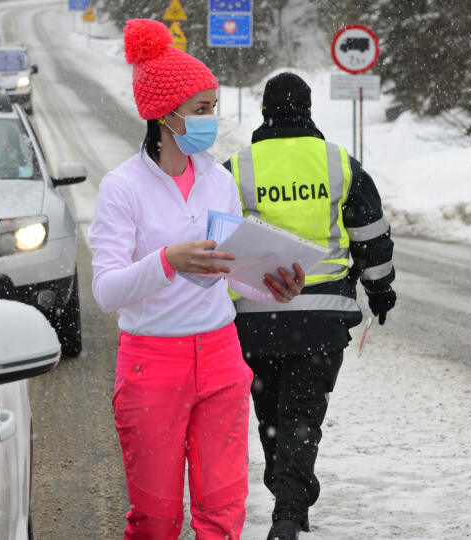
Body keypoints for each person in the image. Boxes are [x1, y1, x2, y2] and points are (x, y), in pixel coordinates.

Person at [88, 20, 305, 540]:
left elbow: (227, 271)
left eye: (213, 105)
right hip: (151, 362)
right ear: (165, 114)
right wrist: (167, 260)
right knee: (157, 519)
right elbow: (105, 291)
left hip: (221, 357)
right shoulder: (123, 188)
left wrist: (270, 285)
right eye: (201, 108)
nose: (212, 119)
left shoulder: (219, 180)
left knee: (222, 510)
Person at [224, 72, 396, 540]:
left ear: (263, 112)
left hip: (254, 321)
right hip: (321, 319)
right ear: (308, 110)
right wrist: (380, 291)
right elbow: (371, 237)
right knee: (302, 414)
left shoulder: (237, 167)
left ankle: (286, 497)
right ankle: (289, 507)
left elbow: (215, 239)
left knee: (271, 415)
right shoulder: (338, 163)